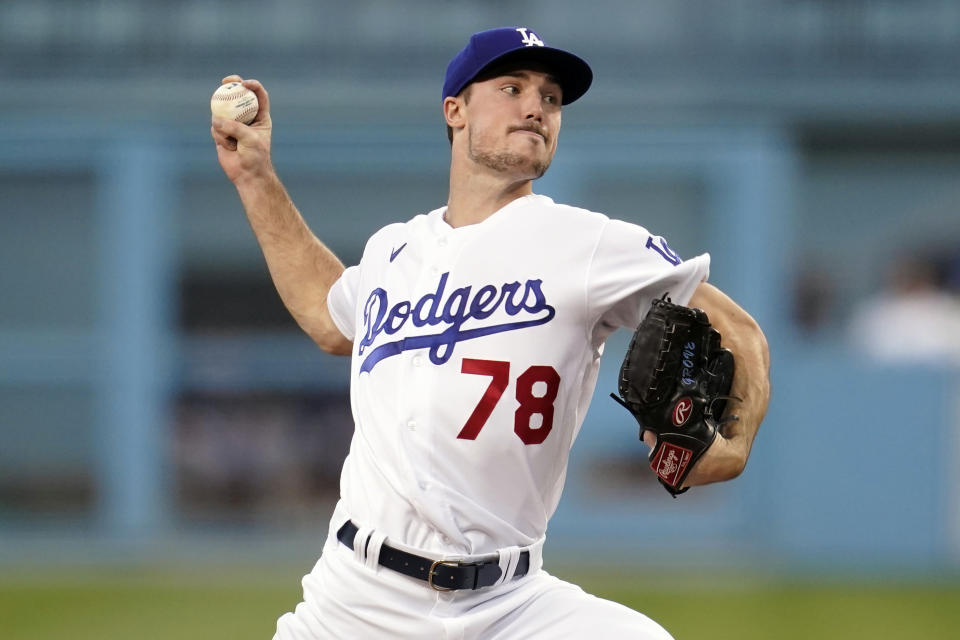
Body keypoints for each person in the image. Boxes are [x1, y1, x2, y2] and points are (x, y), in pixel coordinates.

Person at [211, 26, 770, 640]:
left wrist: (734, 442)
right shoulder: (395, 249)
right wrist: (256, 179)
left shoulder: (588, 245)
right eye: (511, 88)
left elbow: (737, 330)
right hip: (356, 600)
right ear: (455, 111)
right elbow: (329, 315)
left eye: (551, 99)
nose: (536, 107)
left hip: (510, 604)